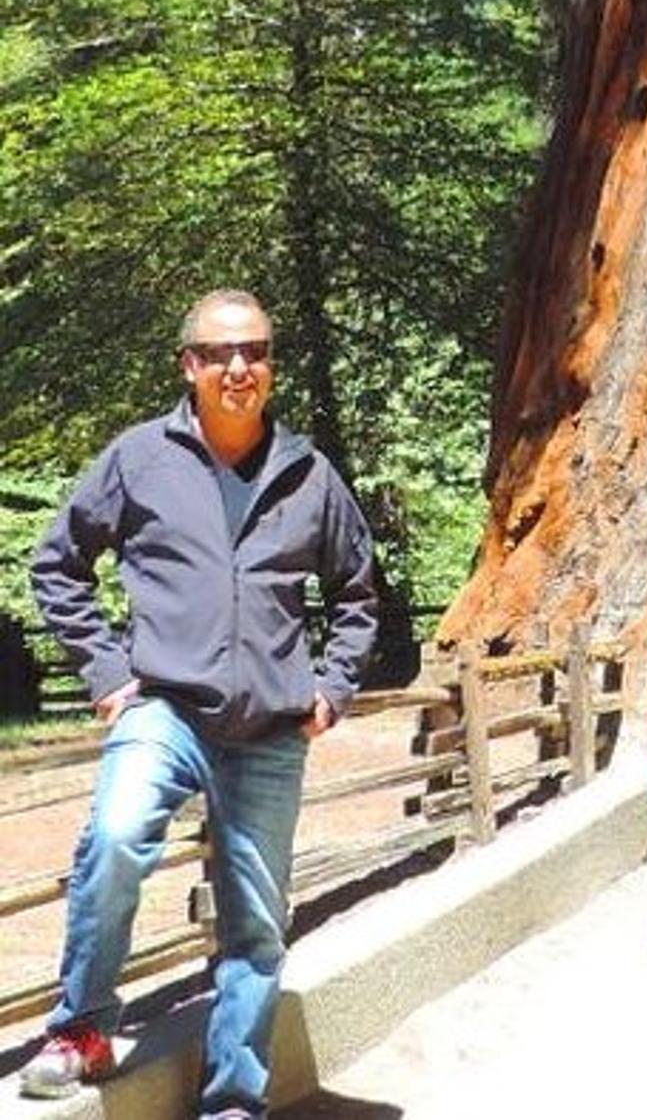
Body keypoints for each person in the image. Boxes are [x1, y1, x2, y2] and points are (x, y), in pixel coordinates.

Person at [18, 290, 378, 1118]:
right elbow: (57, 564)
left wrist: (333, 688)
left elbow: (358, 593)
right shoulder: (140, 458)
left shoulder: (309, 474)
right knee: (115, 837)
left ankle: (234, 1101)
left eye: (255, 350)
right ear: (190, 365)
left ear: (271, 365)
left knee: (256, 922)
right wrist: (106, 671)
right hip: (165, 708)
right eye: (218, 353)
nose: (238, 367)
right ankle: (83, 1027)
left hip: (271, 728)